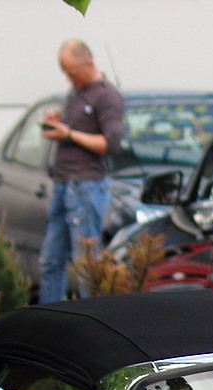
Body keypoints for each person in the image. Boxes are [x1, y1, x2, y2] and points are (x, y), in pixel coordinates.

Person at [38, 39, 126, 303]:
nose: (70, 79)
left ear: (89, 63)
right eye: (66, 74)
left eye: (74, 73)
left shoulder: (107, 96)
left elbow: (110, 144)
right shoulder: (76, 93)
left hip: (86, 186)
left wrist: (69, 134)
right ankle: (48, 316)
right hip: (63, 182)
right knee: (50, 261)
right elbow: (73, 131)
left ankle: (91, 314)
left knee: (86, 266)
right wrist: (57, 125)